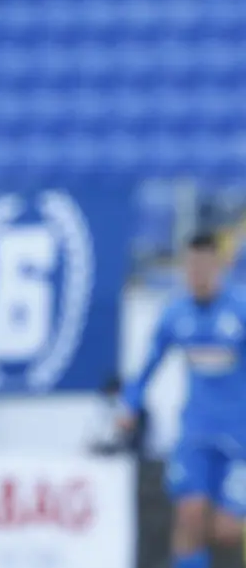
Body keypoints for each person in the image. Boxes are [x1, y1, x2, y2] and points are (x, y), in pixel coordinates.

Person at [121, 232, 246, 568]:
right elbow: (148, 364)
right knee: (189, 516)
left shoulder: (240, 310)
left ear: (219, 267)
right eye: (191, 267)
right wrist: (129, 403)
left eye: (204, 267)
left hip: (239, 437)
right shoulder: (176, 314)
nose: (197, 275)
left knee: (226, 529)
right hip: (196, 432)